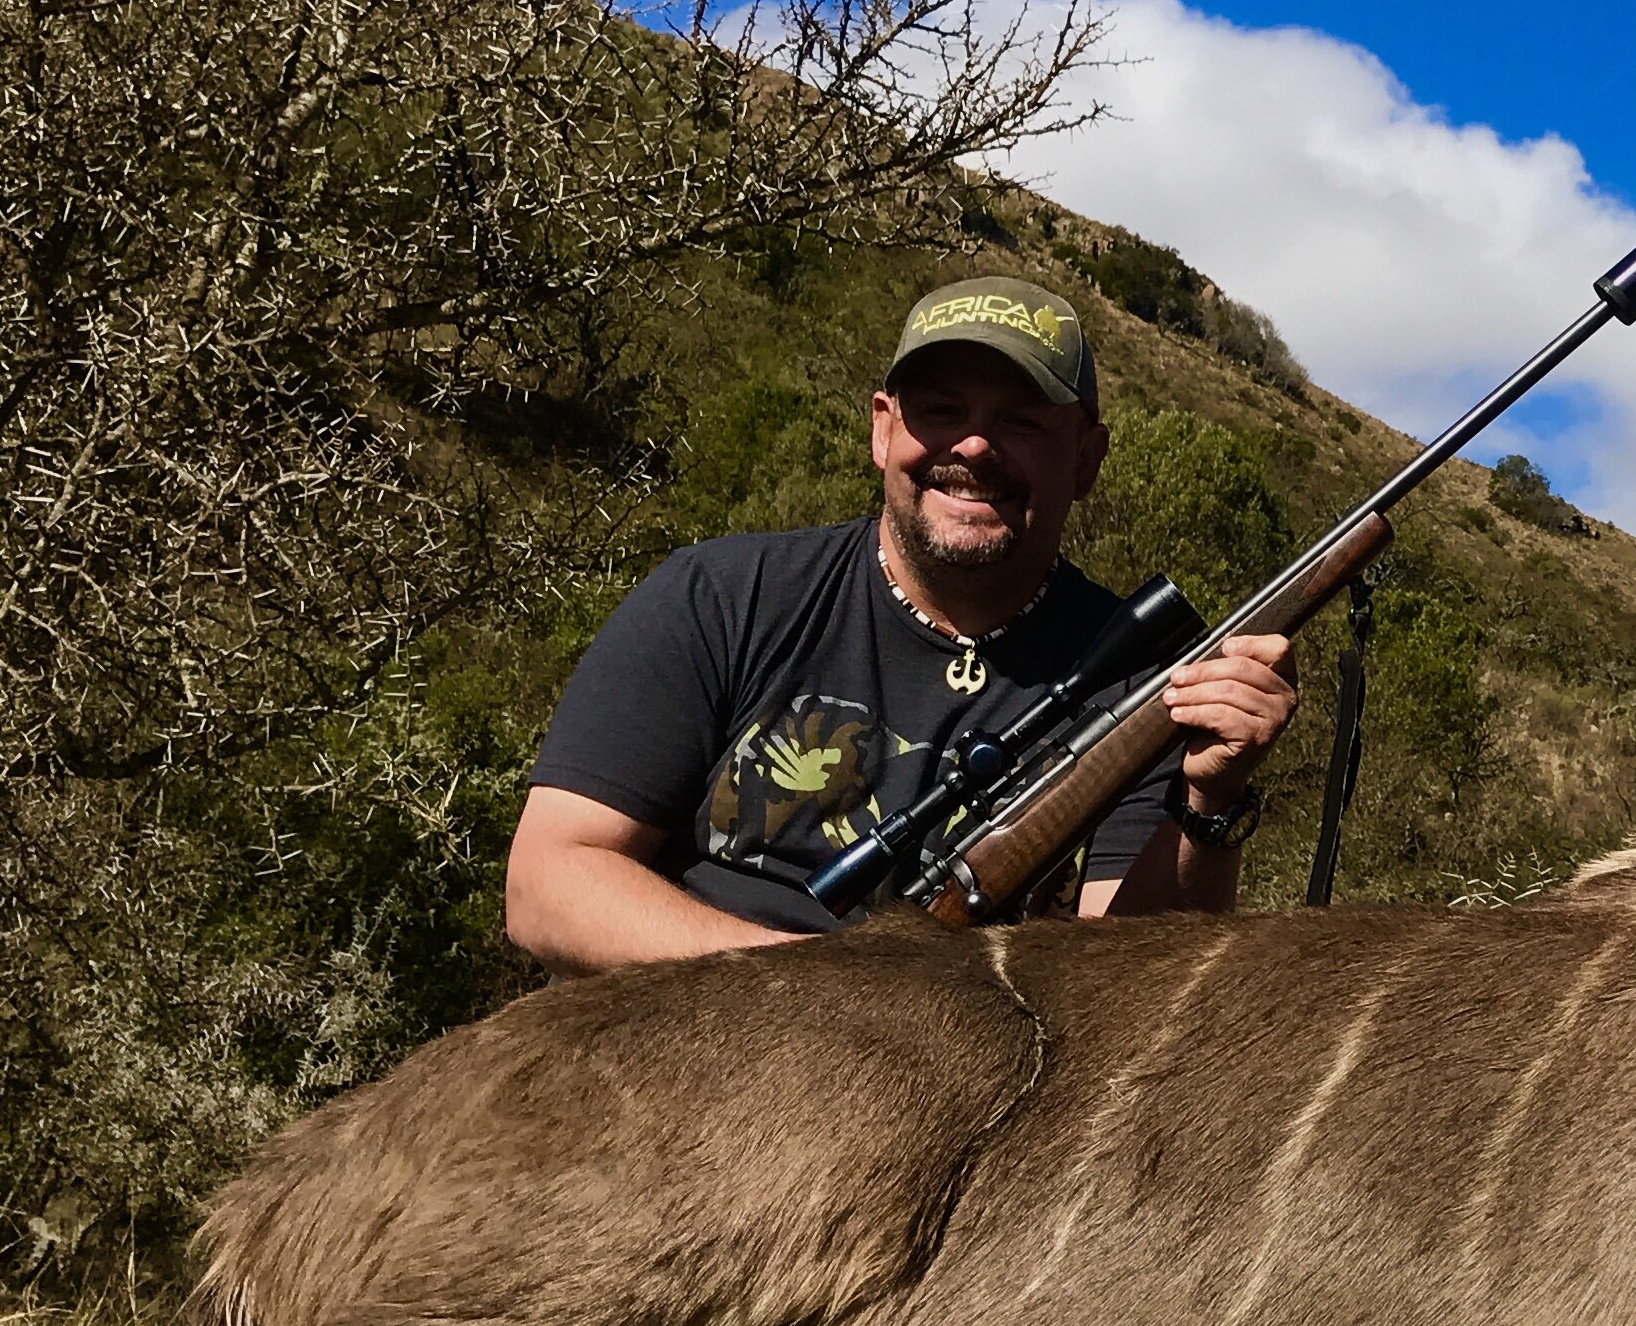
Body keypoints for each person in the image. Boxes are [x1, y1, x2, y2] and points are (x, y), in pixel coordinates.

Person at [506, 277, 1297, 970]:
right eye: (942, 410)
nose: (975, 445)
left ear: (1085, 460)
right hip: (677, 1046)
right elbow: (549, 883)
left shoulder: (1143, 678)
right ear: (883, 428)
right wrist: (812, 989)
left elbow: (1126, 981)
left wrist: (1210, 800)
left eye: (1022, 422)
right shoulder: (721, 593)